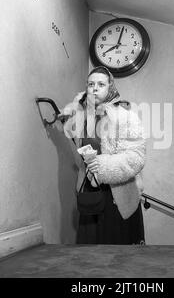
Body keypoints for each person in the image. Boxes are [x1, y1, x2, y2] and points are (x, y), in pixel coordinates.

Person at [59, 66, 146, 244]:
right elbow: (79, 155)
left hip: (118, 196)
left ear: (110, 87)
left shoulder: (127, 117)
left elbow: (136, 156)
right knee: (89, 254)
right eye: (91, 84)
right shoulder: (81, 119)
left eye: (101, 84)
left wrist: (103, 166)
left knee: (118, 254)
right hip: (90, 193)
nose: (95, 88)